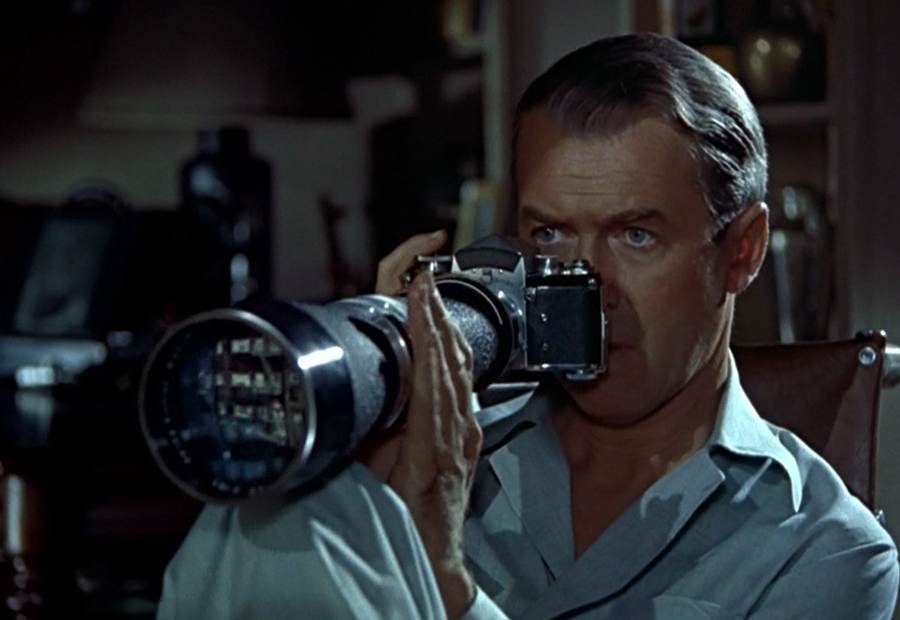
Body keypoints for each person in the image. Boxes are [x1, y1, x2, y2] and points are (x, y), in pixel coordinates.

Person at [157, 33, 899, 619]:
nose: (583, 286)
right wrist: (343, 457)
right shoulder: (437, 443)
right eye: (549, 235)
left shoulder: (825, 552)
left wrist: (442, 579)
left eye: (636, 235)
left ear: (741, 252)